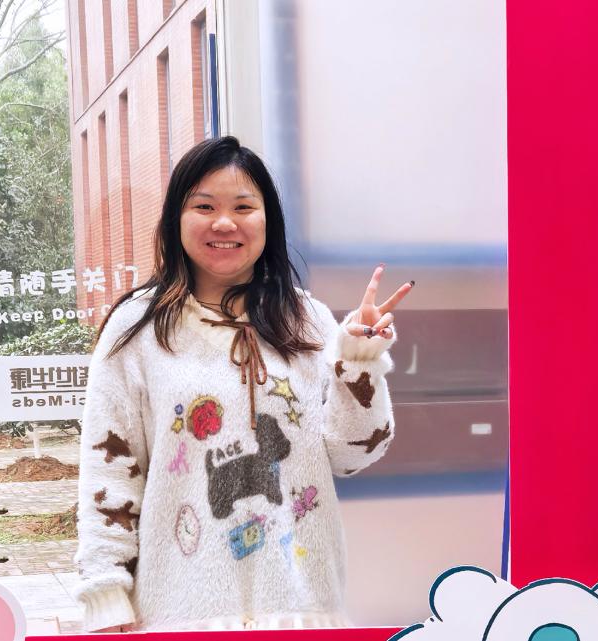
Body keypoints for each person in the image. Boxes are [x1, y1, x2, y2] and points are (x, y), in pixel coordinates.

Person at [73, 136, 412, 632]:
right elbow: (110, 471)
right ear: (175, 219)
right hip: (180, 616)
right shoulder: (137, 329)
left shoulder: (309, 322)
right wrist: (106, 594)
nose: (224, 223)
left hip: (300, 611)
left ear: (267, 220)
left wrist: (359, 360)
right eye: (204, 206)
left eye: (243, 207)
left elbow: (352, 456)